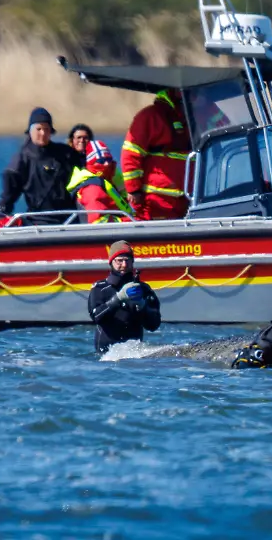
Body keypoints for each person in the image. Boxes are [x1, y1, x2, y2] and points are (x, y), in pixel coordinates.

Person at [0, 107, 85, 225]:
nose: (43, 133)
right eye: (39, 129)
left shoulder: (67, 154)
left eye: (46, 129)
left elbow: (86, 179)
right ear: (30, 131)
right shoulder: (21, 160)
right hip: (38, 222)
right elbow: (7, 198)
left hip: (71, 220)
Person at [120, 88, 194, 221]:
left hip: (188, 199)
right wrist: (134, 190)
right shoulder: (149, 116)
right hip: (156, 201)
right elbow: (130, 154)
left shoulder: (195, 115)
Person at [87, 241, 161, 354]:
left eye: (127, 260)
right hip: (105, 355)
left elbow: (153, 325)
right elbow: (96, 317)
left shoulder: (144, 289)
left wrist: (143, 306)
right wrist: (118, 298)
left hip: (134, 354)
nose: (124, 265)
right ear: (111, 262)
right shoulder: (100, 288)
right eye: (119, 261)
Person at [66, 140, 135, 223]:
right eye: (101, 161)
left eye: (108, 159)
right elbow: (99, 222)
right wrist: (128, 221)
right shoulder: (92, 189)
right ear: (91, 163)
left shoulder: (112, 178)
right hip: (109, 233)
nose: (106, 164)